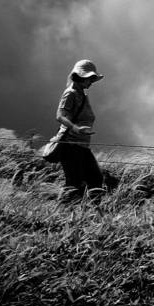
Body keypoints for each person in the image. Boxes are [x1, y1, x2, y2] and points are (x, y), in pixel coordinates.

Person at [51, 59, 107, 203]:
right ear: (79, 76)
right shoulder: (70, 93)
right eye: (89, 78)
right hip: (70, 145)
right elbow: (60, 116)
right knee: (74, 183)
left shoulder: (82, 94)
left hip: (82, 146)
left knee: (96, 179)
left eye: (92, 79)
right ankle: (61, 214)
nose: (91, 82)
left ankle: (92, 212)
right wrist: (76, 128)